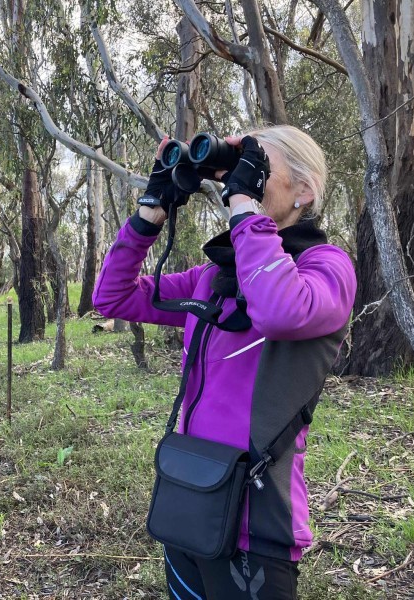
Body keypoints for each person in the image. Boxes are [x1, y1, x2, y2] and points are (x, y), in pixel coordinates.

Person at [93, 125, 356, 600]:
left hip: (258, 526)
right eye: (239, 169)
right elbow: (112, 297)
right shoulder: (214, 276)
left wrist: (244, 208)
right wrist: (149, 214)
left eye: (256, 167)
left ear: (305, 191)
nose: (242, 179)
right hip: (189, 497)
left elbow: (278, 310)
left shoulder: (327, 268)